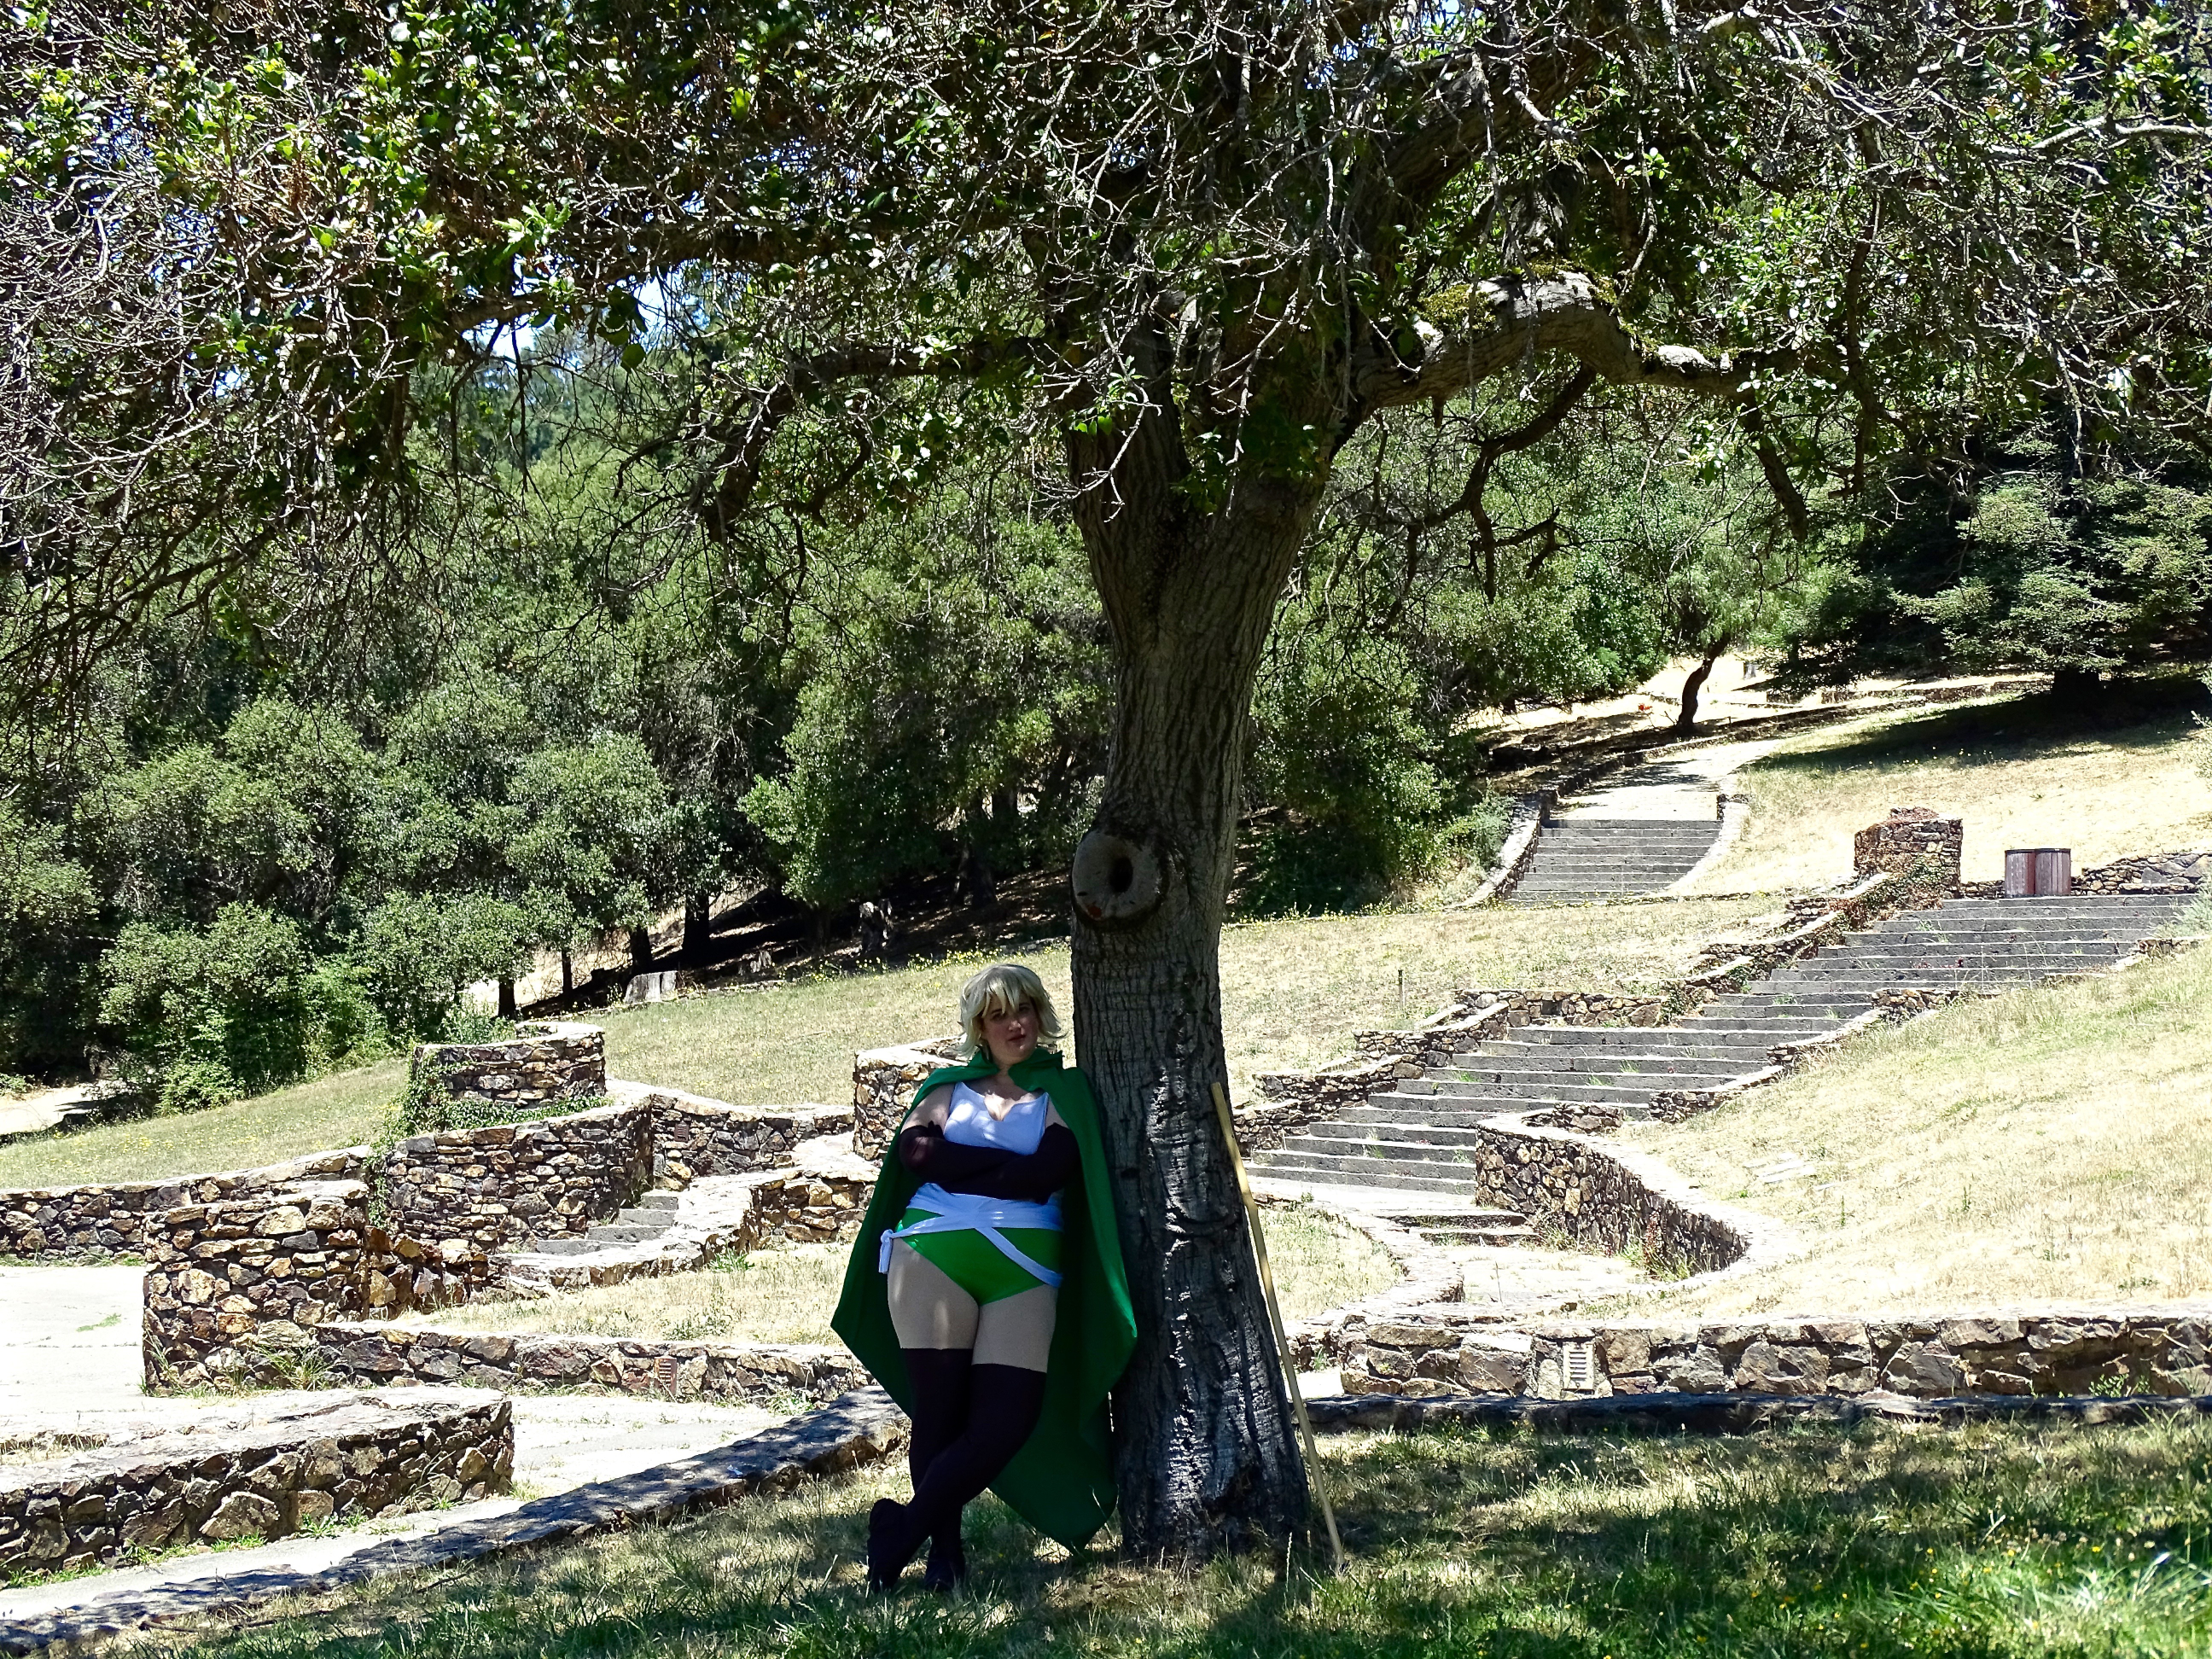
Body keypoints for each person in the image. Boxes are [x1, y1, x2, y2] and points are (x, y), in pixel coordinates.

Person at [831, 962, 1135, 1592]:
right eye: (999, 1014)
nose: (1015, 1023)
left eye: (1024, 1009)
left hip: (1024, 1267)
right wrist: (1002, 1168)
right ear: (980, 1026)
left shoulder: (1063, 1092)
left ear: (1040, 1016)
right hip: (931, 1257)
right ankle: (945, 1555)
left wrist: (959, 1167)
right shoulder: (947, 1088)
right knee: (938, 1415)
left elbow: (1047, 1172)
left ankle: (901, 1530)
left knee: (1006, 1421)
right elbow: (916, 1154)